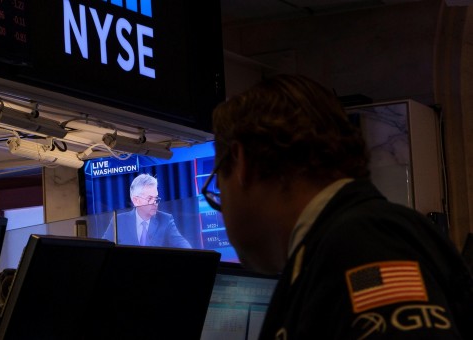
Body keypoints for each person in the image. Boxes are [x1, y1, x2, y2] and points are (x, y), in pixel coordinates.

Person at [203, 74, 473, 339]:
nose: (222, 208)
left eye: (218, 187)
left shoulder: (367, 243)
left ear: (241, 164)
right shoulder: (326, 253)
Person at [102, 173, 191, 248]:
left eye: (156, 198)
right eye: (149, 198)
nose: (155, 202)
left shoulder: (165, 220)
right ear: (136, 200)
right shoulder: (118, 221)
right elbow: (103, 248)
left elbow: (184, 246)